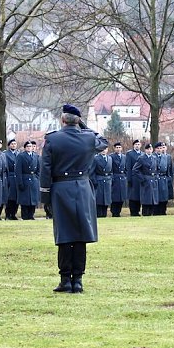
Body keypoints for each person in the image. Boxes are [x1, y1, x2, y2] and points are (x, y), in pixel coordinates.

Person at [40, 104, 108, 294]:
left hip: (61, 189)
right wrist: (85, 127)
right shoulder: (88, 138)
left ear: (62, 120)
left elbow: (45, 170)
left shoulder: (52, 139)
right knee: (81, 235)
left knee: (64, 235)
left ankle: (65, 280)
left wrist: (45, 196)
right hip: (83, 188)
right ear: (78, 120)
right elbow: (103, 141)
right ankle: (77, 280)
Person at [15, 140, 41, 220]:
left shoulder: (36, 156)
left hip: (33, 179)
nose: (30, 148)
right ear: (25, 148)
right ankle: (25, 215)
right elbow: (18, 170)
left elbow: (38, 169)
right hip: (25, 178)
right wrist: (20, 182)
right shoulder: (21, 156)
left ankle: (31, 215)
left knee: (33, 199)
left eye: (31, 146)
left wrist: (36, 178)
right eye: (28, 146)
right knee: (25, 200)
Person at [133, 142, 159, 216]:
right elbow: (135, 170)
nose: (149, 150)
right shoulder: (141, 158)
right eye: (148, 149)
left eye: (150, 149)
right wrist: (142, 178)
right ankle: (145, 214)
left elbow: (157, 169)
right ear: (145, 150)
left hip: (153, 180)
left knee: (152, 200)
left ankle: (151, 214)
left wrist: (156, 177)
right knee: (146, 200)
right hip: (146, 180)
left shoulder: (154, 158)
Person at [92, 145, 113, 218]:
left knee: (106, 200)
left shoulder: (110, 158)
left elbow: (111, 171)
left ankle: (104, 215)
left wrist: (110, 179)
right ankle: (99, 215)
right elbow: (92, 171)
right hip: (99, 180)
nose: (104, 150)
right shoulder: (95, 158)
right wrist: (95, 181)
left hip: (107, 181)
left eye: (105, 149)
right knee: (99, 199)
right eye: (102, 149)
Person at [125, 140, 142, 216]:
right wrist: (129, 179)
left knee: (139, 195)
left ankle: (138, 210)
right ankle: (133, 211)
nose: (137, 146)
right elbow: (128, 167)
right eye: (136, 144)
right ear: (133, 145)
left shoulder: (143, 154)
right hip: (133, 177)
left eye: (138, 144)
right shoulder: (130, 154)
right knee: (133, 196)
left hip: (140, 178)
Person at [110, 143, 128, 217]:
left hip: (122, 179)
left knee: (121, 197)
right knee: (115, 197)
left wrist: (125, 177)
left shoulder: (124, 157)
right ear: (114, 148)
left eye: (119, 147)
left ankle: (119, 211)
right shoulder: (111, 157)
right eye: (116, 147)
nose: (118, 149)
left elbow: (126, 168)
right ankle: (114, 212)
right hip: (115, 178)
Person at [155, 142, 172, 216]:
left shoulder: (165, 157)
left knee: (164, 197)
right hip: (156, 178)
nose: (160, 149)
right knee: (157, 197)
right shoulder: (153, 156)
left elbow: (169, 169)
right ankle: (156, 212)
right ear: (155, 149)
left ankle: (163, 211)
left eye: (161, 148)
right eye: (158, 148)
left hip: (164, 178)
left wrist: (169, 178)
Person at [5, 139, 20, 220]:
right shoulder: (6, 154)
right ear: (9, 145)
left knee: (16, 197)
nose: (14, 145)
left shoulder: (18, 154)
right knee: (10, 197)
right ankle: (8, 214)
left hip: (17, 177)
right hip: (10, 176)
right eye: (12, 144)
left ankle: (14, 213)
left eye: (15, 144)